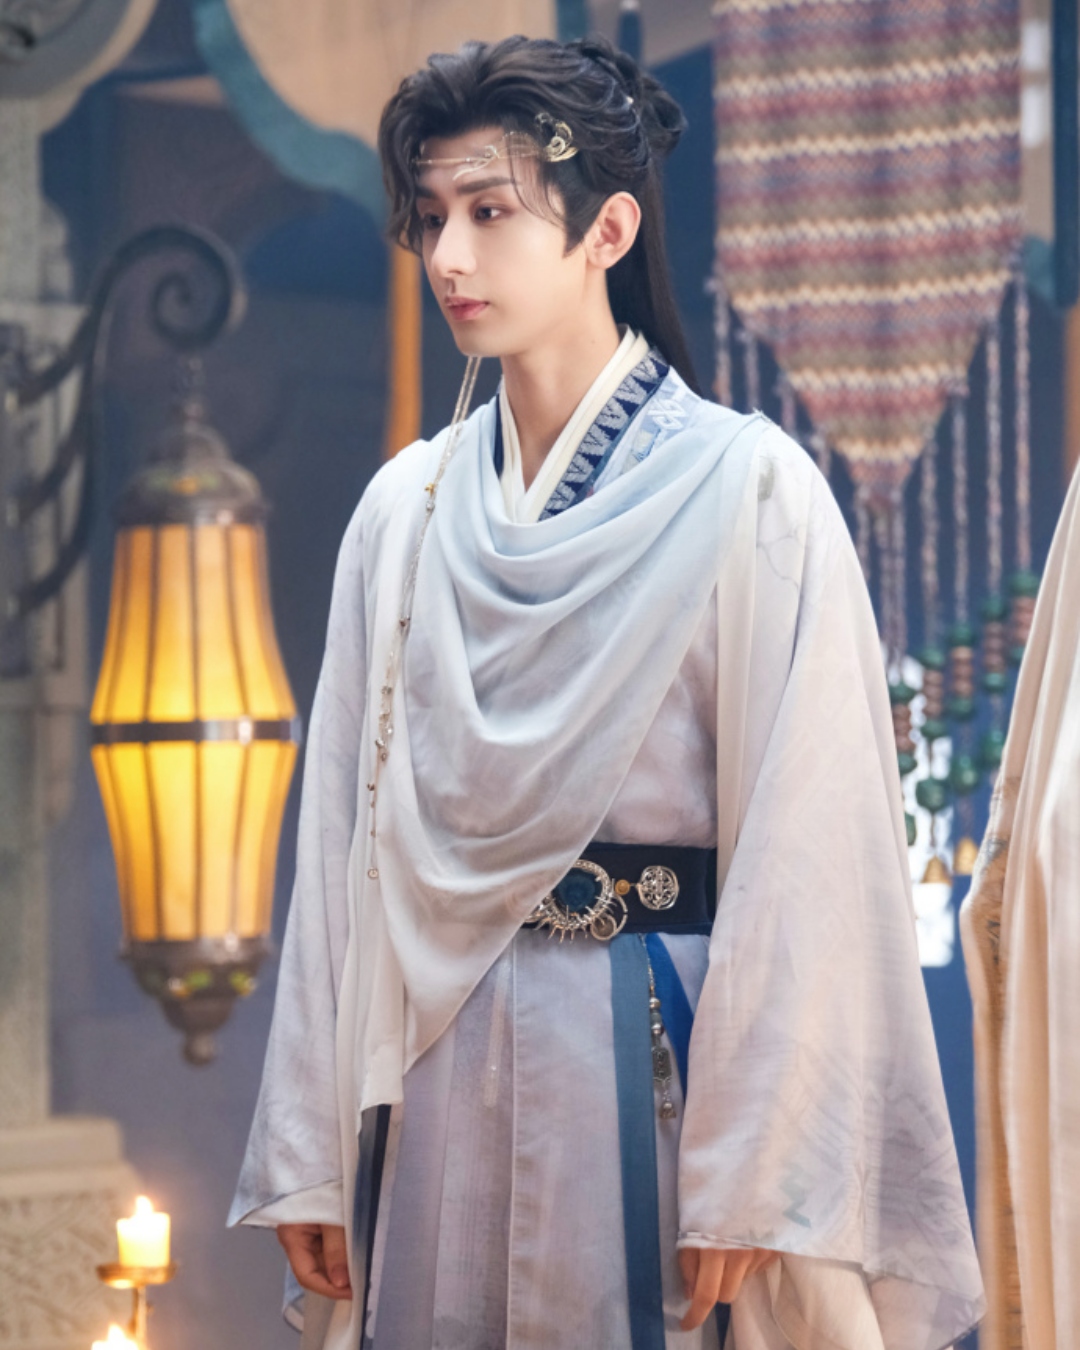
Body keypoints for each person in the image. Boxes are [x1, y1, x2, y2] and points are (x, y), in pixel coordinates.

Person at [231, 34, 984, 1350]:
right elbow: (344, 849)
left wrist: (763, 1166)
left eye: (489, 212)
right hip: (438, 1061)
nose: (448, 256)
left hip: (657, 1061)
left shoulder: (751, 494)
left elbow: (811, 857)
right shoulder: (402, 513)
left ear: (608, 230)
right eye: (432, 217)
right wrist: (309, 1146)